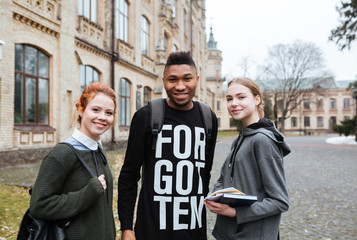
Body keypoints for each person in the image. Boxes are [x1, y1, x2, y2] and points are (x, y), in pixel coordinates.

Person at [118, 51, 218, 240]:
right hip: (152, 230)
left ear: (197, 79)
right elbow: (129, 176)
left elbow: (205, 173)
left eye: (187, 79)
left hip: (193, 229)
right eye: (173, 80)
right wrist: (126, 227)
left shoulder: (208, 119)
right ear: (163, 81)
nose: (180, 86)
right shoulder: (146, 116)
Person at [204, 77, 290, 240]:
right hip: (230, 232)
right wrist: (216, 197)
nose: (233, 103)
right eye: (229, 99)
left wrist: (235, 212)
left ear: (257, 99)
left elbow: (280, 201)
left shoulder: (263, 140)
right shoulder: (240, 138)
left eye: (241, 97)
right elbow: (224, 177)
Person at [29, 82, 117, 240]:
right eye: (95, 110)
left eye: (109, 113)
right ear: (81, 110)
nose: (102, 117)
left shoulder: (97, 151)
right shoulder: (62, 153)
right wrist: (86, 194)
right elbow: (39, 206)